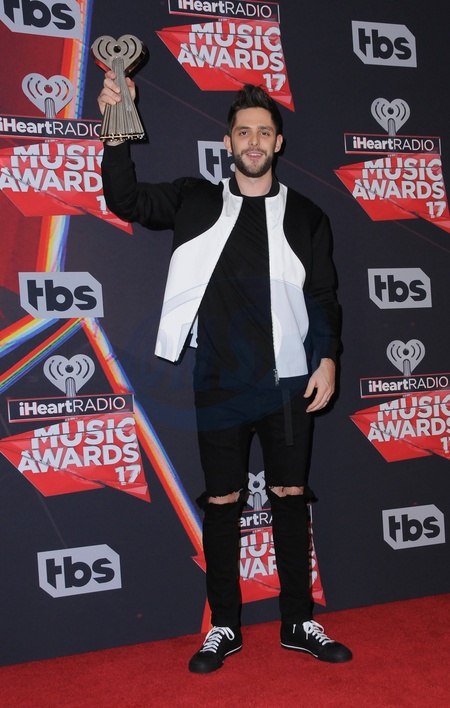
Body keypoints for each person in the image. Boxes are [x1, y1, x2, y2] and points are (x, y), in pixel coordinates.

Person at [98, 73, 352, 673]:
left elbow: (324, 295)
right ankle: (225, 626)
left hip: (289, 382)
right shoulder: (195, 200)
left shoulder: (308, 216)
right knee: (222, 501)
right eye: (244, 132)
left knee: (290, 496)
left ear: (279, 143)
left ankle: (298, 622)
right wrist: (115, 129)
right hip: (218, 382)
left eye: (264, 132)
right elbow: (125, 201)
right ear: (228, 141)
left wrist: (328, 357)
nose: (254, 141)